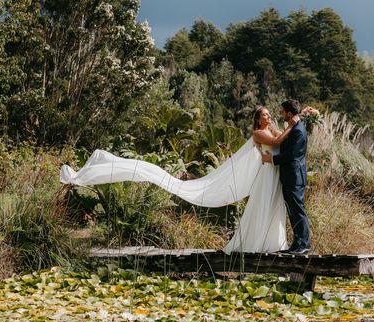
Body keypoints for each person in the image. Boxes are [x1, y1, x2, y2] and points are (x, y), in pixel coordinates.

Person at [59, 106, 300, 254]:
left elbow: (281, 140)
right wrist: (294, 123)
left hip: (271, 173)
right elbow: (278, 143)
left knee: (271, 208)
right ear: (258, 120)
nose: (268, 117)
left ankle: (272, 243)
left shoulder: (272, 130)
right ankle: (256, 243)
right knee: (263, 206)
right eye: (265, 115)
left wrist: (291, 125)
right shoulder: (259, 133)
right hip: (267, 173)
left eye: (269, 115)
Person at [261, 100, 314, 255]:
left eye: (282, 112)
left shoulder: (298, 131)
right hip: (290, 177)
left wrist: (271, 159)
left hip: (295, 177)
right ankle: (297, 244)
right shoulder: (294, 127)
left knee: (298, 210)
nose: (281, 114)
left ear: (289, 113)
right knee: (292, 210)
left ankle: (304, 244)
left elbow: (292, 155)